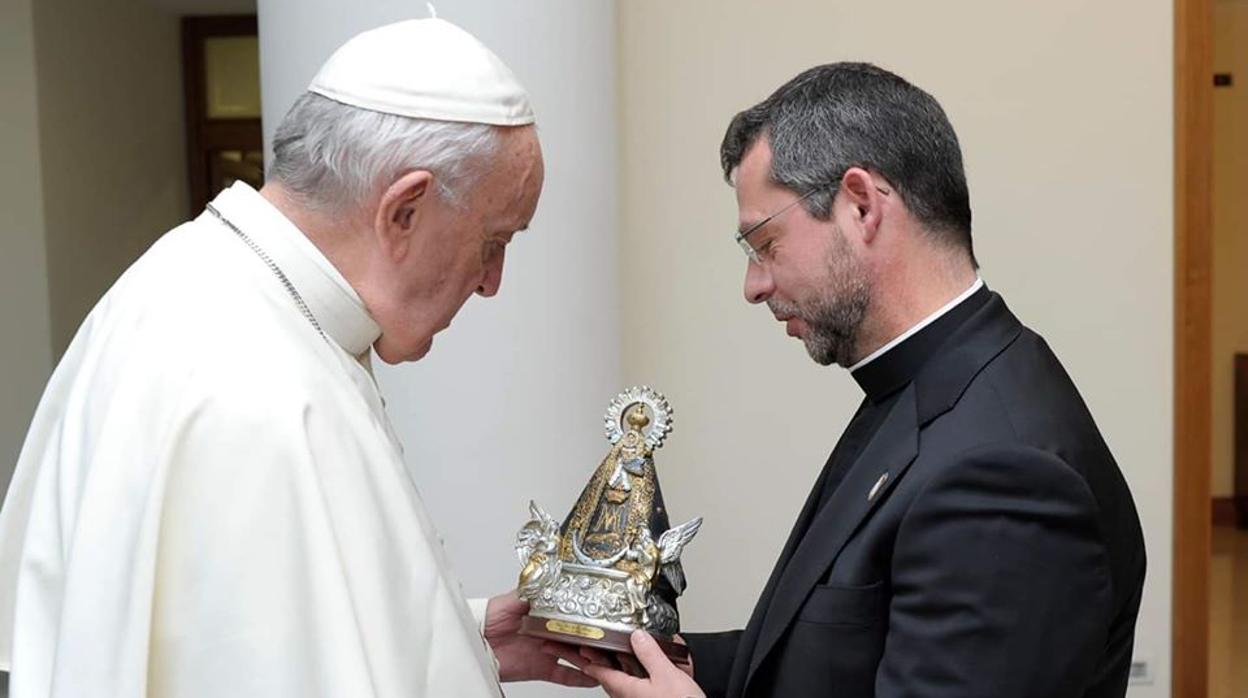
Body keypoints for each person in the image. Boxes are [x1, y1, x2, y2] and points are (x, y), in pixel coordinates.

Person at [0, 18, 595, 698]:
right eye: (494, 240)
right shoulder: (251, 389)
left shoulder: (191, 287)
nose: (492, 281)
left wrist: (463, 634)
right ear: (404, 210)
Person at [564, 62, 1146, 698]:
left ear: (862, 205)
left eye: (764, 243)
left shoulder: (1003, 473)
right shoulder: (924, 382)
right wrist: (659, 658)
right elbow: (834, 659)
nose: (754, 285)